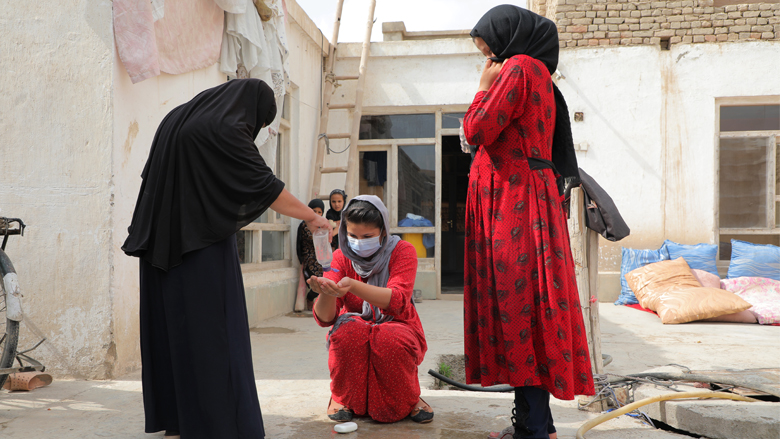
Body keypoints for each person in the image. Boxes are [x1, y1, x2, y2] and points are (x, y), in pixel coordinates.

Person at [122, 79, 330, 439]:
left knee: (173, 335)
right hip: (200, 249)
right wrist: (311, 216)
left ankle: (177, 419)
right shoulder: (224, 128)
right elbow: (265, 185)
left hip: (158, 247)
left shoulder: (176, 118)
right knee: (217, 335)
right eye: (258, 126)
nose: (252, 132)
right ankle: (221, 424)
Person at [463, 6, 595, 439]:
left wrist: (482, 89)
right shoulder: (536, 72)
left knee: (519, 306)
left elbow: (477, 129)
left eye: (485, 43)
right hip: (521, 195)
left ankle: (534, 429)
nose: (484, 54)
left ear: (508, 34)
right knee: (525, 307)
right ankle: (539, 425)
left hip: (514, 201)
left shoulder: (518, 69)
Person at [308, 196, 433, 424]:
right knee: (347, 333)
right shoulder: (339, 256)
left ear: (383, 232)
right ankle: (342, 397)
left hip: (398, 323)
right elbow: (326, 318)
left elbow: (396, 301)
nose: (359, 242)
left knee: (388, 338)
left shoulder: (403, 251)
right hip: (356, 323)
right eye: (353, 236)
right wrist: (325, 291)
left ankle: (408, 398)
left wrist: (354, 285)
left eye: (367, 237)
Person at [296, 199, 326, 310]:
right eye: (314, 211)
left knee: (325, 281)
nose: (317, 214)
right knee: (315, 282)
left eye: (319, 212)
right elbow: (313, 239)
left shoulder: (322, 224)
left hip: (321, 258)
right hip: (310, 259)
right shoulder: (305, 224)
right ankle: (310, 298)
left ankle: (316, 303)